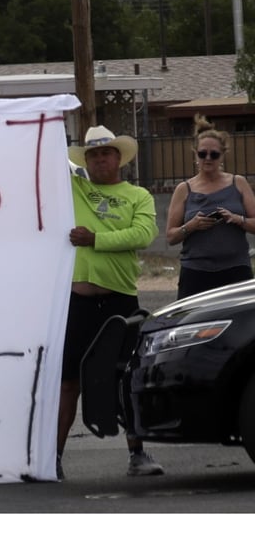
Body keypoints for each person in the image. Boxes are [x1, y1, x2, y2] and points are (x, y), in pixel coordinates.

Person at [57, 125, 163, 481]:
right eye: (93, 154)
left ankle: (137, 453)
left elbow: (144, 234)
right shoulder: (72, 189)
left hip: (121, 300)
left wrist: (95, 239)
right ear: (85, 161)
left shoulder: (139, 196)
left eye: (106, 153)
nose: (100, 159)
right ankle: (52, 459)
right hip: (78, 301)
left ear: (119, 158)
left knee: (126, 378)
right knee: (68, 381)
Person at [165, 114, 255, 299]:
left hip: (236, 269)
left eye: (214, 154)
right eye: (202, 153)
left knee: (242, 325)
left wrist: (238, 219)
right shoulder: (184, 189)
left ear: (222, 155)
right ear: (195, 154)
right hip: (196, 271)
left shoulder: (238, 183)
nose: (208, 158)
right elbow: (171, 236)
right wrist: (192, 226)